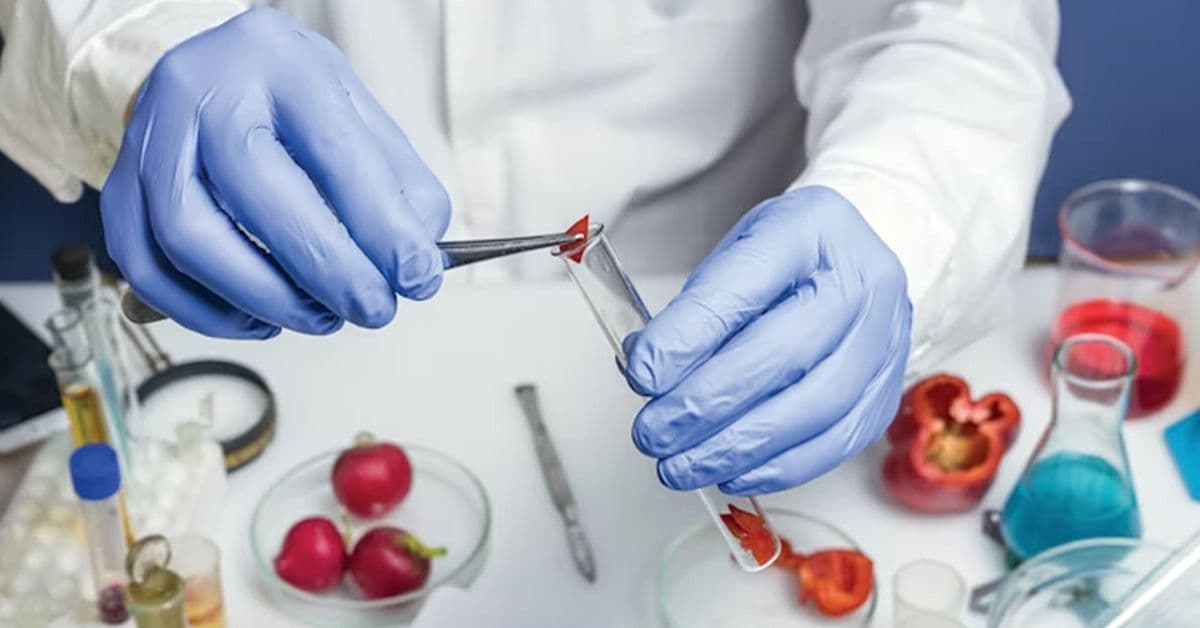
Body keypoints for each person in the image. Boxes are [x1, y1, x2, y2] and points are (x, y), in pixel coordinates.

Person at [0, 2, 1069, 495]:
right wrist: (141, 42)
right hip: (305, 293)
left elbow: (960, 32)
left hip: (708, 300)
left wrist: (895, 213)